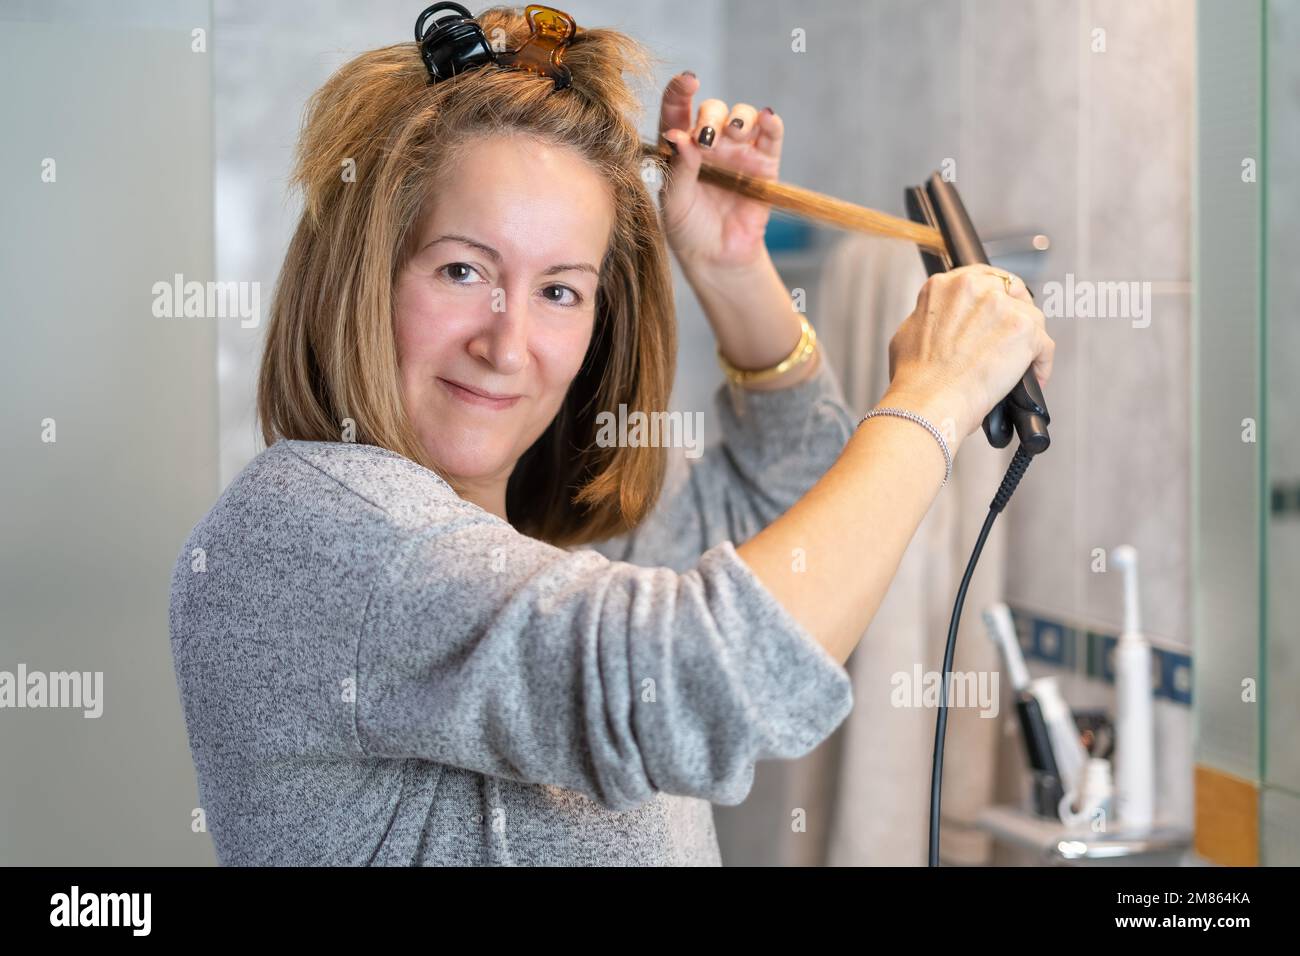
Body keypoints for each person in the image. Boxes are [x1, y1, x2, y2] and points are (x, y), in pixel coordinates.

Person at [169, 6, 1054, 866]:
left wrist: (733, 270)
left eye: (560, 290)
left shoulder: (540, 531)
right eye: (462, 269)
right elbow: (710, 680)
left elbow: (811, 512)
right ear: (365, 276)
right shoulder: (310, 534)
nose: (506, 344)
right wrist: (934, 397)